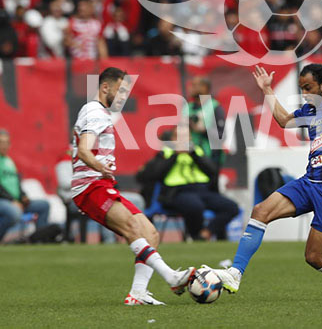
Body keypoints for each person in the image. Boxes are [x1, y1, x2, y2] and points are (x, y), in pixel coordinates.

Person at [204, 16, 322, 299]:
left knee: (314, 257)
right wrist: (268, 90)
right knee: (260, 211)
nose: (304, 93)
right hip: (310, 181)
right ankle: (235, 273)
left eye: (308, 87)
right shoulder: (309, 112)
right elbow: (284, 120)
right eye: (301, 88)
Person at [71, 67, 195, 305]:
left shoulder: (100, 113)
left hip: (101, 184)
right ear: (105, 87)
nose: (123, 97)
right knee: (132, 227)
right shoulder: (94, 111)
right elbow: (84, 150)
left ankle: (138, 293)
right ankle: (171, 277)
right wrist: (99, 166)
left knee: (151, 234)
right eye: (120, 91)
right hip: (91, 186)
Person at [137, 126, 238, 241]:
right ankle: (195, 235)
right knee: (195, 206)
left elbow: (212, 171)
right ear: (172, 139)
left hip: (202, 191)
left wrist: (194, 154)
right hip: (177, 192)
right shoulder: (165, 153)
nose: (183, 140)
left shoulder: (197, 151)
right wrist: (175, 155)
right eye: (179, 137)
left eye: (186, 137)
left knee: (231, 207)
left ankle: (205, 234)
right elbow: (153, 174)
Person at [0, 129, 50, 242]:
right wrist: (12, 200)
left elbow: (16, 184)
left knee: (43, 205)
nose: (4, 145)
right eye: (1, 142)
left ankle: (39, 240)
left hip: (15, 201)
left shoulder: (9, 161)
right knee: (14, 212)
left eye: (7, 142)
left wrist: (23, 196)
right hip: (3, 201)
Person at [185, 76, 226, 190]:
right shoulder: (187, 108)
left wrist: (203, 130)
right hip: (190, 159)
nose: (190, 88)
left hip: (210, 160)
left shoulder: (215, 107)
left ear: (204, 87)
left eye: (194, 85)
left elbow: (221, 136)